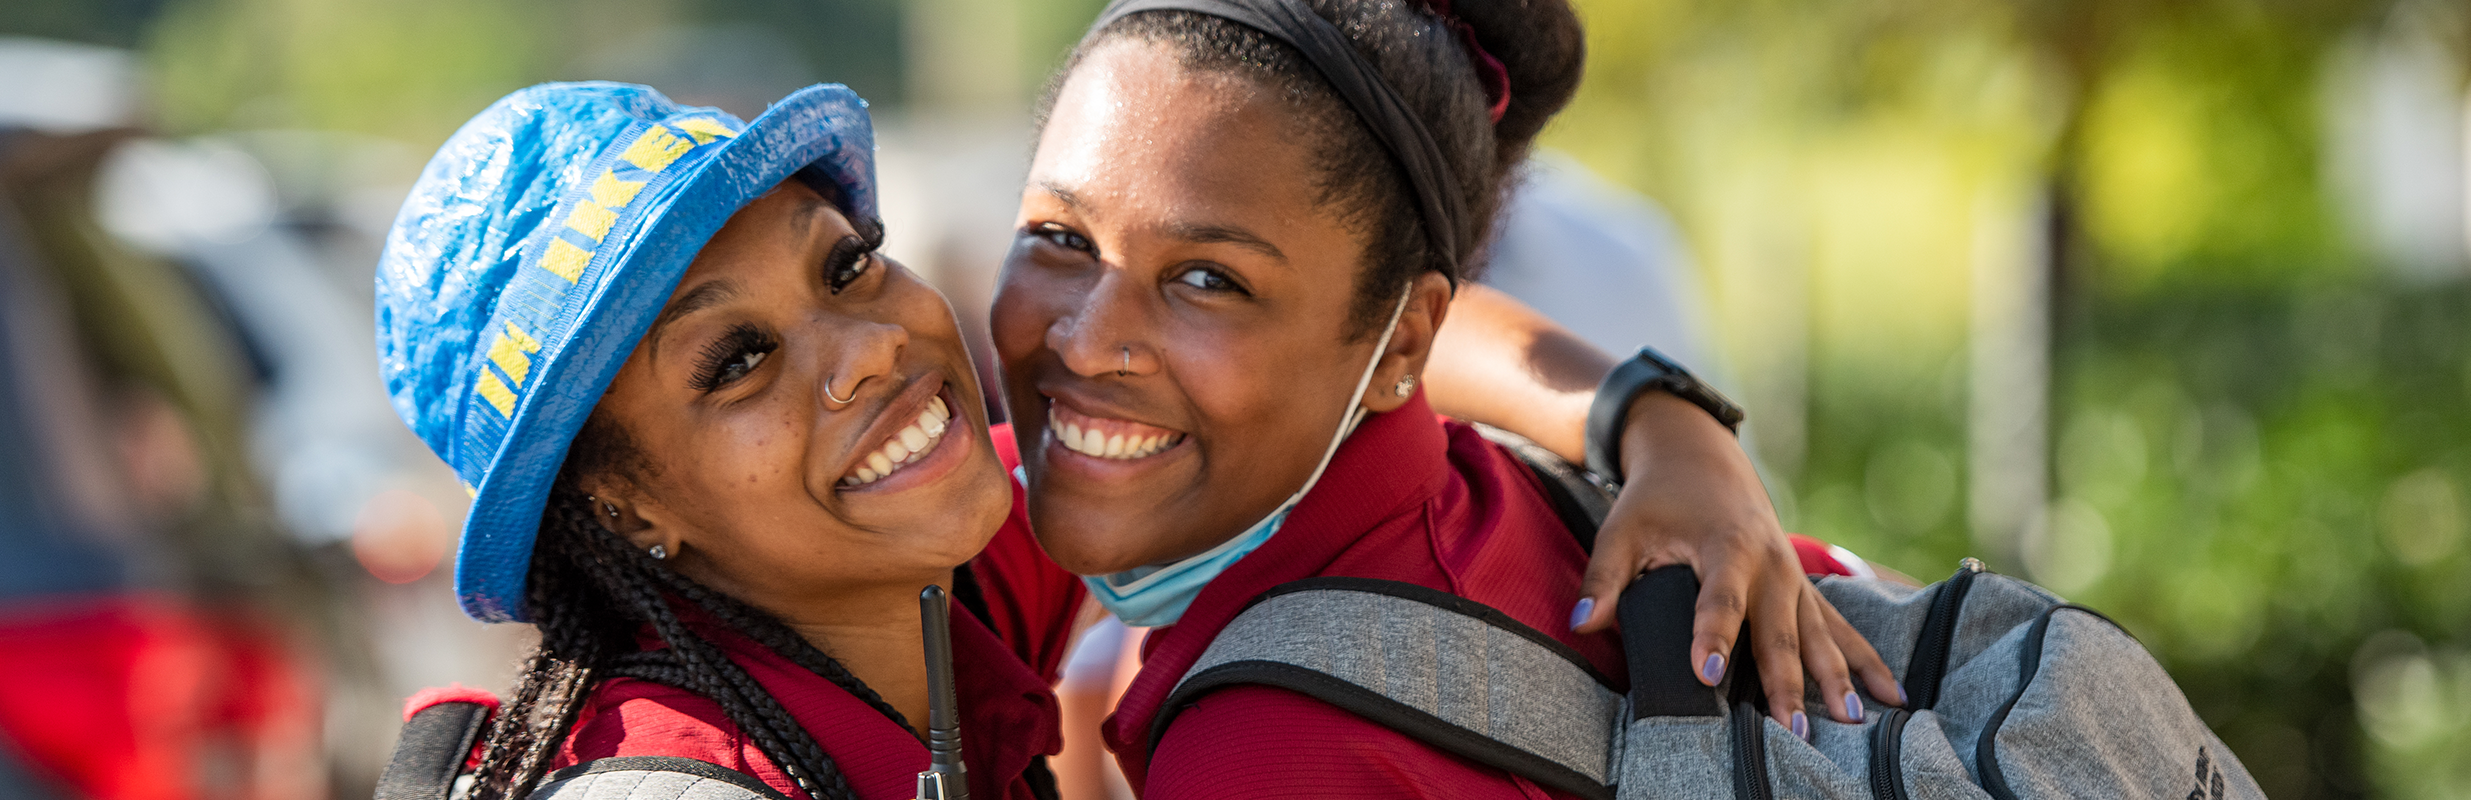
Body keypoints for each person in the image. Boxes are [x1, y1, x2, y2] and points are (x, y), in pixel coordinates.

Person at [376, 79, 1875, 800]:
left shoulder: (936, 584)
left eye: (843, 267)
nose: (871, 354)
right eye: (739, 361)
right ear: (628, 513)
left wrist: (1662, 429)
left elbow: (1334, 344)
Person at [985, 0, 1905, 796]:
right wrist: (1650, 413)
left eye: (1208, 280)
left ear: (1403, 339)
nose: (1086, 338)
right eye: (1060, 235)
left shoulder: (1274, 750)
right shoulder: (1528, 504)